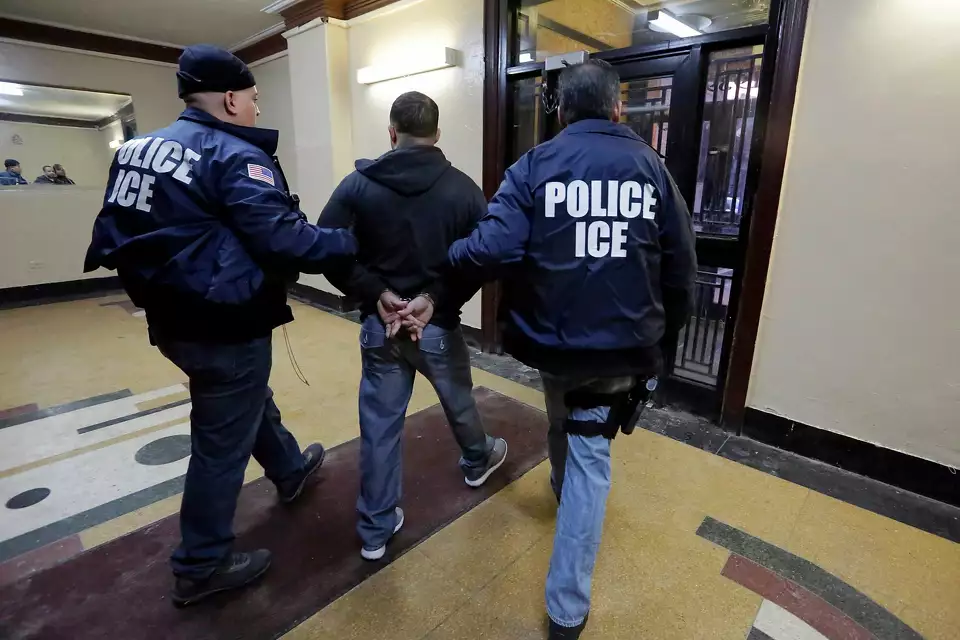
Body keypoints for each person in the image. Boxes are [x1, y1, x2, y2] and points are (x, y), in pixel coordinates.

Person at [84, 44, 357, 607]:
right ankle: (200, 563)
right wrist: (351, 241)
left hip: (170, 317)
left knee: (237, 397)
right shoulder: (234, 154)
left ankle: (287, 468)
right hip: (224, 317)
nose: (257, 110)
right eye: (255, 100)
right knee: (220, 438)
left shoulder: (137, 148)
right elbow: (284, 237)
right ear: (231, 99)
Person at [447, 60, 697, 639]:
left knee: (567, 412)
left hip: (551, 342)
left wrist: (438, 272)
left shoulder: (533, 166)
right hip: (620, 348)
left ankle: (564, 513)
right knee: (588, 451)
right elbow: (681, 271)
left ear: (560, 110)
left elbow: (493, 250)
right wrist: (662, 347)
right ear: (617, 108)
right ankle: (567, 608)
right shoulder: (652, 170)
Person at [318, 91, 507, 561]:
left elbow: (323, 247)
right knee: (459, 400)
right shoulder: (463, 189)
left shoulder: (357, 186)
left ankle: (376, 528)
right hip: (437, 327)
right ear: (437, 135)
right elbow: (483, 261)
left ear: (391, 132)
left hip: (380, 328)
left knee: (380, 426)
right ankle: (478, 460)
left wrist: (374, 293)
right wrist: (432, 299)